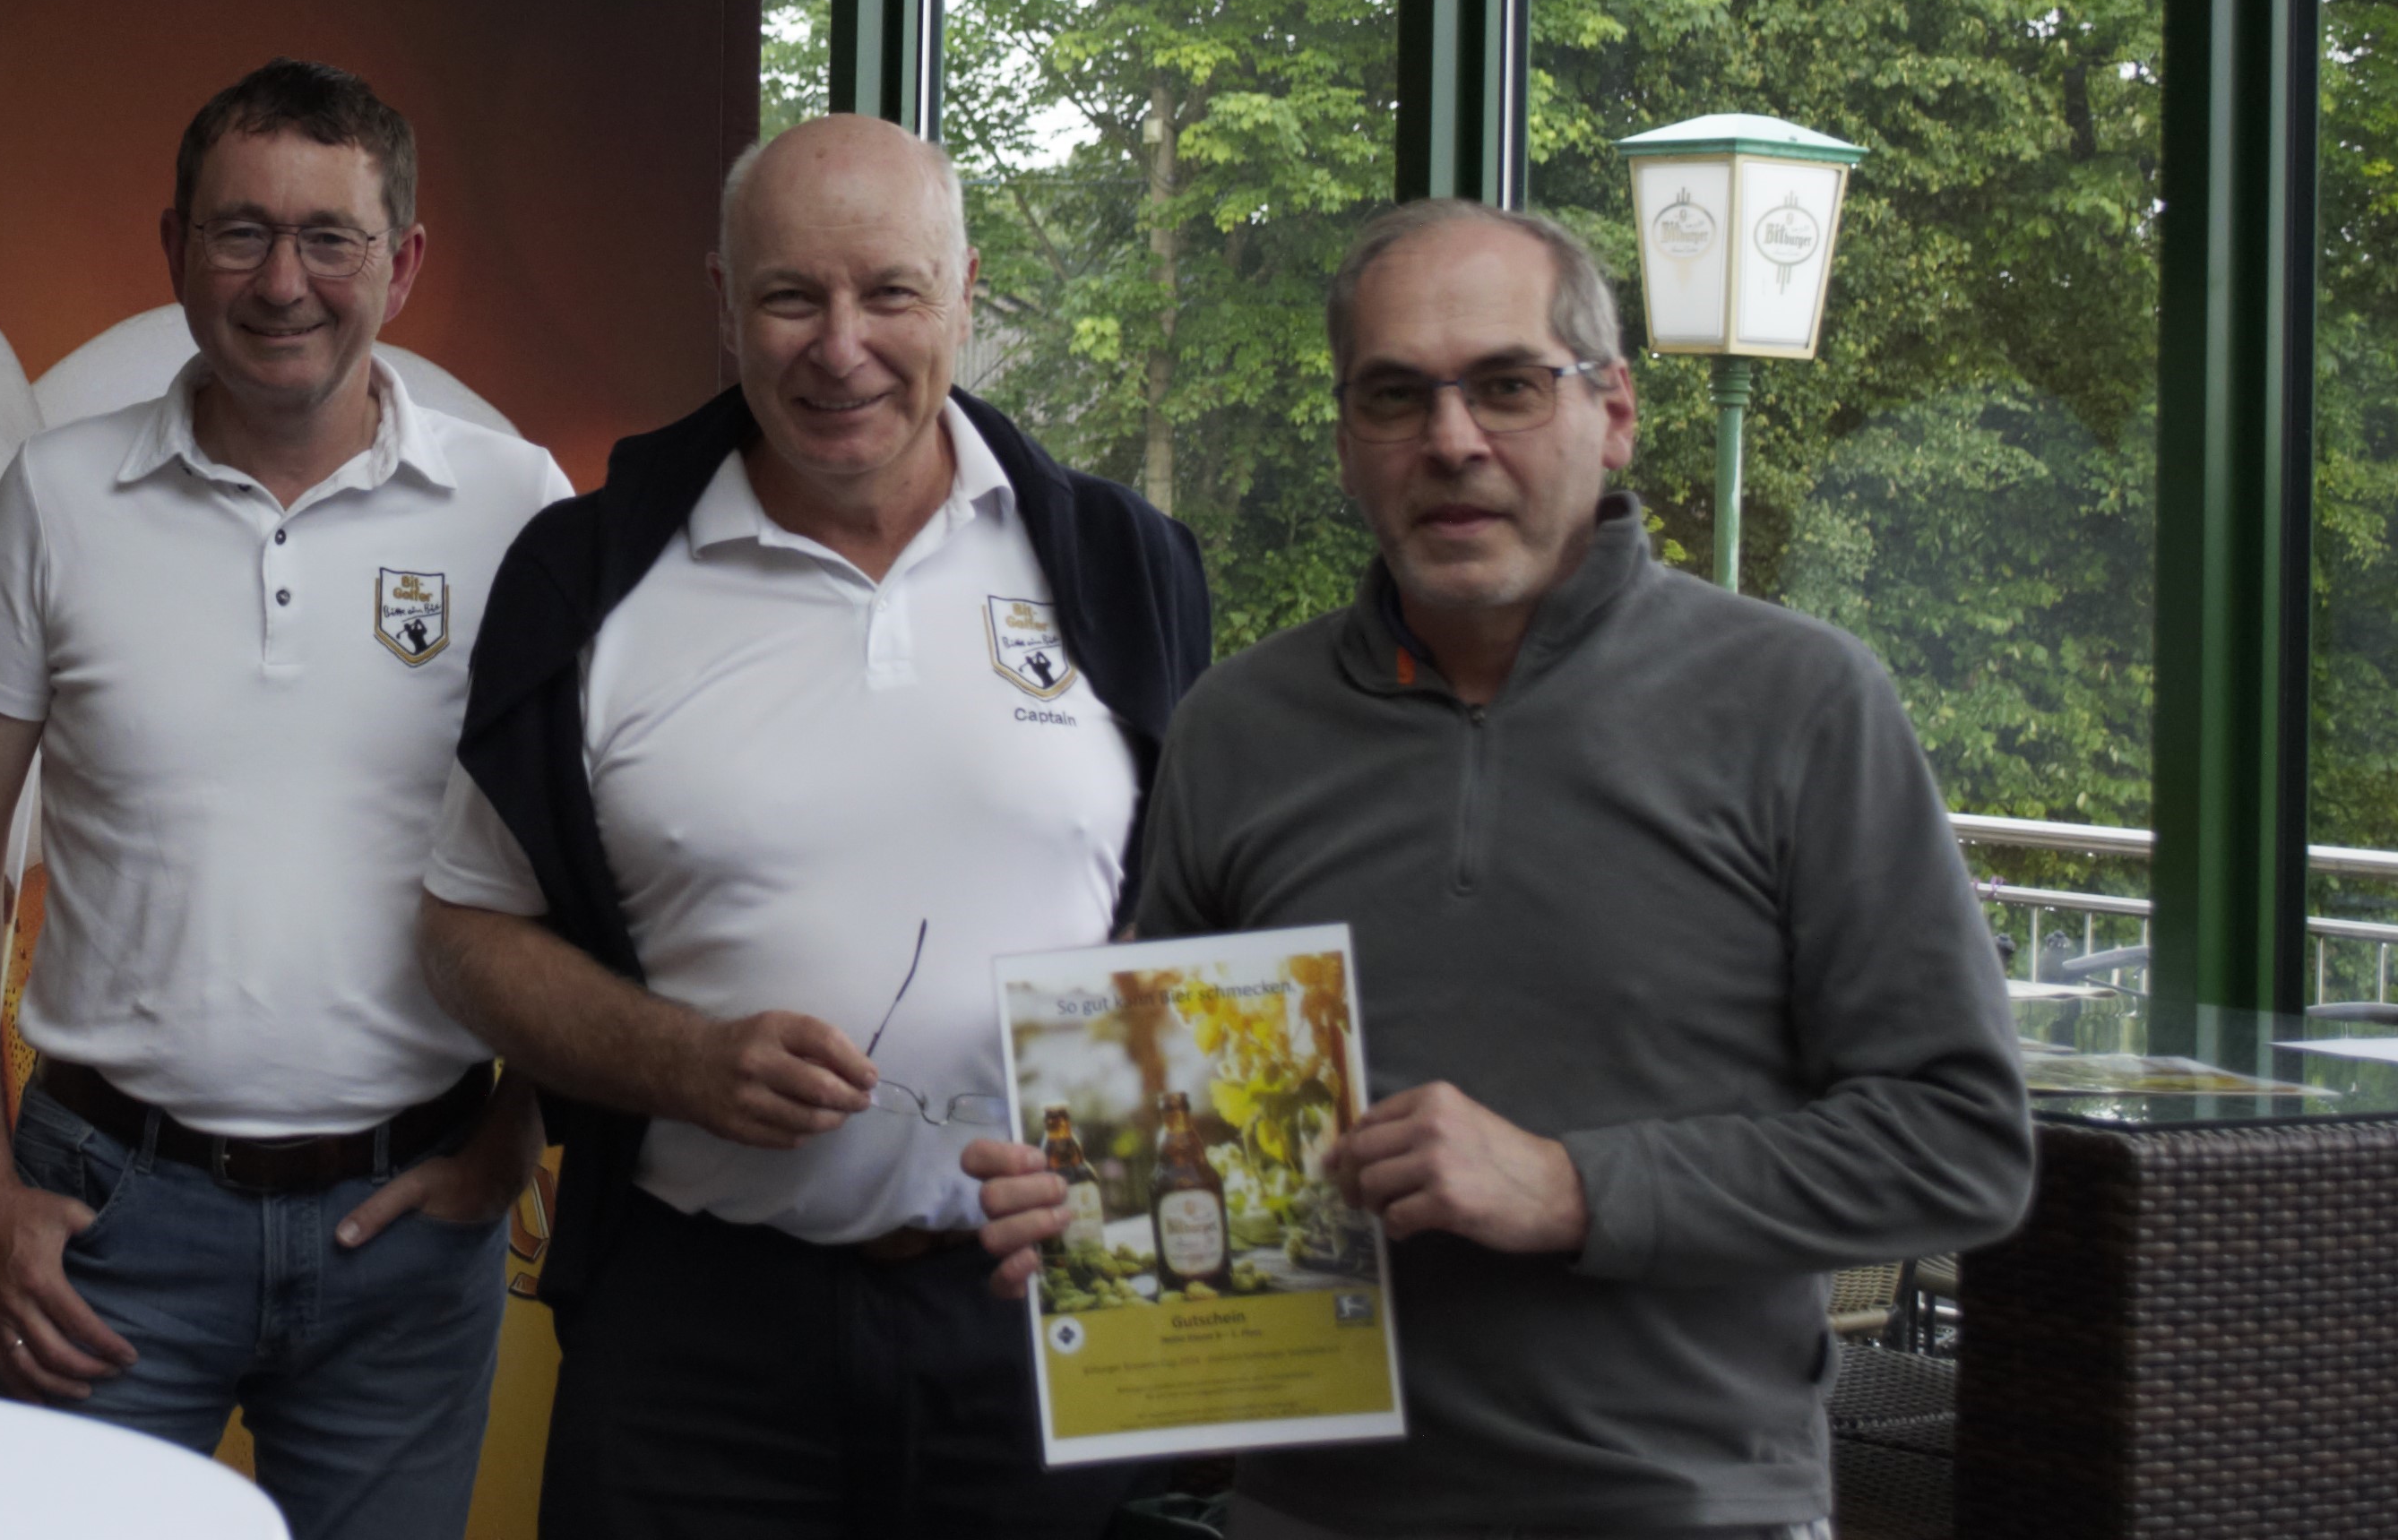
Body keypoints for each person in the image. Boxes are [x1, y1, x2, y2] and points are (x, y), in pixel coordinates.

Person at [967, 197, 2036, 1539]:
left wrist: (1574, 1189)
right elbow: (1175, 1119)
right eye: (1395, 396)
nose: (1452, 440)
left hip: (1682, 1512)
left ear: (1615, 411)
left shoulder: (1802, 705)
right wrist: (1083, 1198)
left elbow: (1962, 1144)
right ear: (1347, 442)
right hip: (1309, 1513)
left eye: (1509, 386)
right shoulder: (1237, 728)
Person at [418, 113, 1212, 1539]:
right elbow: (466, 928)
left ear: (963, 293)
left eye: (890, 293)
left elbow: (1198, 910)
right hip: (695, 1335)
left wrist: (1130, 1159)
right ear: (725, 306)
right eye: (792, 296)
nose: (841, 348)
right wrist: (677, 1060)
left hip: (1040, 1320)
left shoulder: (1123, 562)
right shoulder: (587, 572)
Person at [0, 58, 564, 1539]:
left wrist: (517, 1137)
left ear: (404, 262)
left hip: (409, 1229)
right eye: (240, 232)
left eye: (331, 238)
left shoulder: (518, 507)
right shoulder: (55, 496)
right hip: (104, 1224)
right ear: (174, 248)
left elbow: (594, 856)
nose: (282, 282)